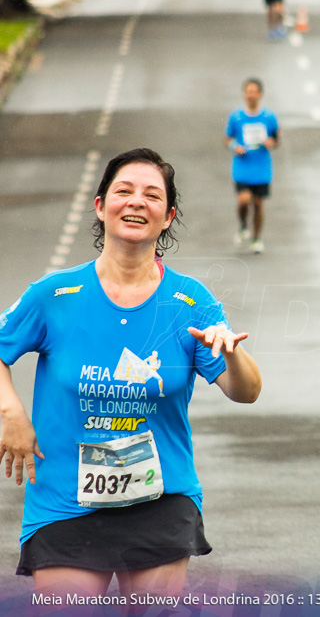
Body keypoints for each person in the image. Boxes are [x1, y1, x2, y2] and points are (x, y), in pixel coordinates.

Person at [0, 148, 261, 601]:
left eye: (152, 195)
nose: (137, 201)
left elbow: (247, 392)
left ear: (167, 217)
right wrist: (10, 412)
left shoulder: (189, 300)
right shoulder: (54, 295)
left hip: (160, 500)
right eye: (124, 191)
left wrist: (231, 356)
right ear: (100, 207)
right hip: (65, 502)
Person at [224, 78, 279, 254]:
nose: (251, 95)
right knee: (243, 199)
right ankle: (242, 225)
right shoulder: (236, 117)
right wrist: (235, 147)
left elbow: (276, 139)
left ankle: (256, 238)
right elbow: (228, 139)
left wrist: (271, 143)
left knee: (258, 203)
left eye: (255, 91)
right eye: (248, 91)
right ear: (244, 94)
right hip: (242, 167)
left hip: (261, 167)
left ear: (260, 94)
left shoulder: (269, 117)